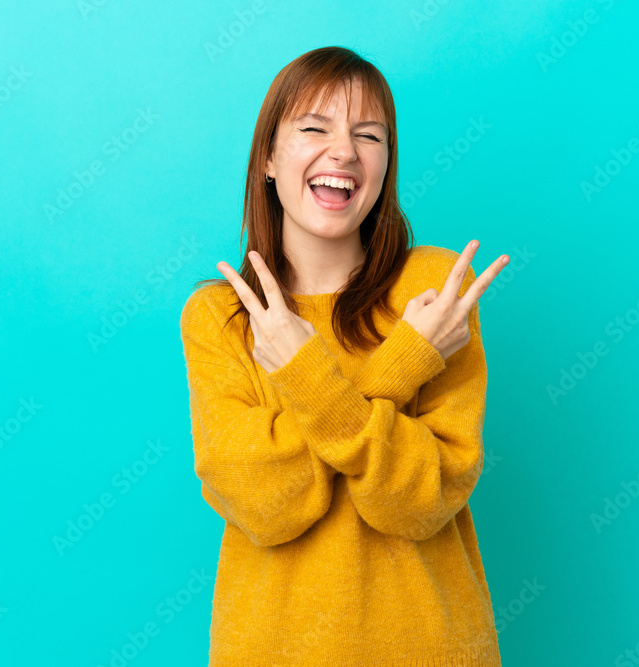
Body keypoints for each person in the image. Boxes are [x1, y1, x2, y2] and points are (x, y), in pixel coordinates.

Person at [180, 45, 510, 665]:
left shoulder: (435, 290)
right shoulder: (221, 318)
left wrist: (310, 382)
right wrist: (402, 365)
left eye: (369, 135)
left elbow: (418, 504)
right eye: (314, 128)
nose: (344, 151)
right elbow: (266, 506)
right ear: (269, 159)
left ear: (386, 165)